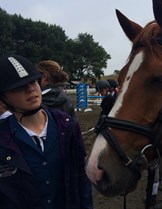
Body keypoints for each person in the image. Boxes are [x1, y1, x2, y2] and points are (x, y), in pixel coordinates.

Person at [0, 55, 93, 209]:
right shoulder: (3, 137)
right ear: (3, 97)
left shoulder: (68, 126)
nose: (30, 89)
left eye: (33, 81)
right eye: (18, 86)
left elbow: (81, 182)